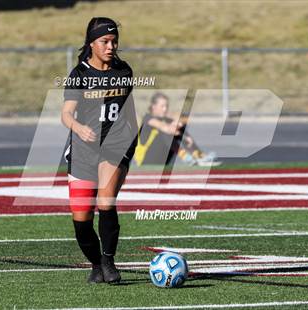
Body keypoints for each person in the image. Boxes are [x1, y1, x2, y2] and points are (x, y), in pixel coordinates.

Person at [61, 17, 137, 284]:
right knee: (81, 222)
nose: (111, 46)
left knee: (106, 202)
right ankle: (96, 264)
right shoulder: (79, 74)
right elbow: (66, 114)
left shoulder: (124, 71)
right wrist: (79, 128)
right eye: (105, 41)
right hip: (83, 149)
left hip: (115, 146)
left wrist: (131, 143)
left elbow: (129, 112)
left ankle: (108, 261)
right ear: (91, 43)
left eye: (114, 41)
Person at [134, 92, 220, 166]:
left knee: (178, 128)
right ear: (153, 106)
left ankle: (198, 155)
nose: (165, 109)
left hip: (161, 158)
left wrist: (183, 134)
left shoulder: (165, 119)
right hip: (146, 160)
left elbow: (178, 124)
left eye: (166, 106)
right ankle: (186, 157)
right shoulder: (148, 118)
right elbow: (165, 128)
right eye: (162, 106)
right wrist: (180, 131)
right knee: (166, 130)